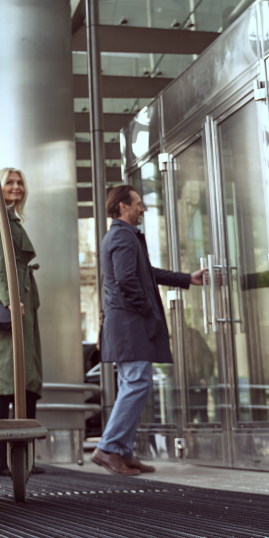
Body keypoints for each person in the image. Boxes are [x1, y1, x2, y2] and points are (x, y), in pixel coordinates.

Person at [93, 185, 204, 475]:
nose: (143, 209)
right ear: (122, 207)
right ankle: (108, 448)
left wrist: (186, 279)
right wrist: (147, 310)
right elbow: (127, 281)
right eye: (139, 204)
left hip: (127, 324)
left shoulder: (123, 236)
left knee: (135, 383)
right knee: (136, 383)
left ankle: (123, 451)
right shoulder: (122, 237)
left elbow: (146, 273)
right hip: (129, 325)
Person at [0, 168, 44, 477]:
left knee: (25, 377)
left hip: (22, 300)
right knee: (4, 378)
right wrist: (9, 300)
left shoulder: (10, 217)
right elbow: (1, 264)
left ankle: (23, 457)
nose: (16, 187)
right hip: (11, 302)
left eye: (20, 182)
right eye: (10, 182)